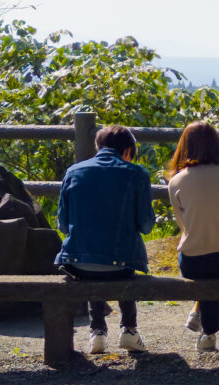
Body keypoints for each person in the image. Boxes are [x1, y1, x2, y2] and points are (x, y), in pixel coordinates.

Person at [55, 124, 155, 354]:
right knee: (120, 262)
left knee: (93, 262)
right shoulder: (137, 174)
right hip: (121, 265)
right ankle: (129, 330)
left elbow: (62, 224)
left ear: (98, 147)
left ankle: (97, 332)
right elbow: (146, 226)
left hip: (77, 264)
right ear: (128, 150)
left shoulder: (73, 171)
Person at [167, 121, 219, 352]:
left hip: (194, 264)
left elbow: (185, 227)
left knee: (205, 260)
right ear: (217, 144)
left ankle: (205, 325)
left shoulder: (176, 182)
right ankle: (205, 326)